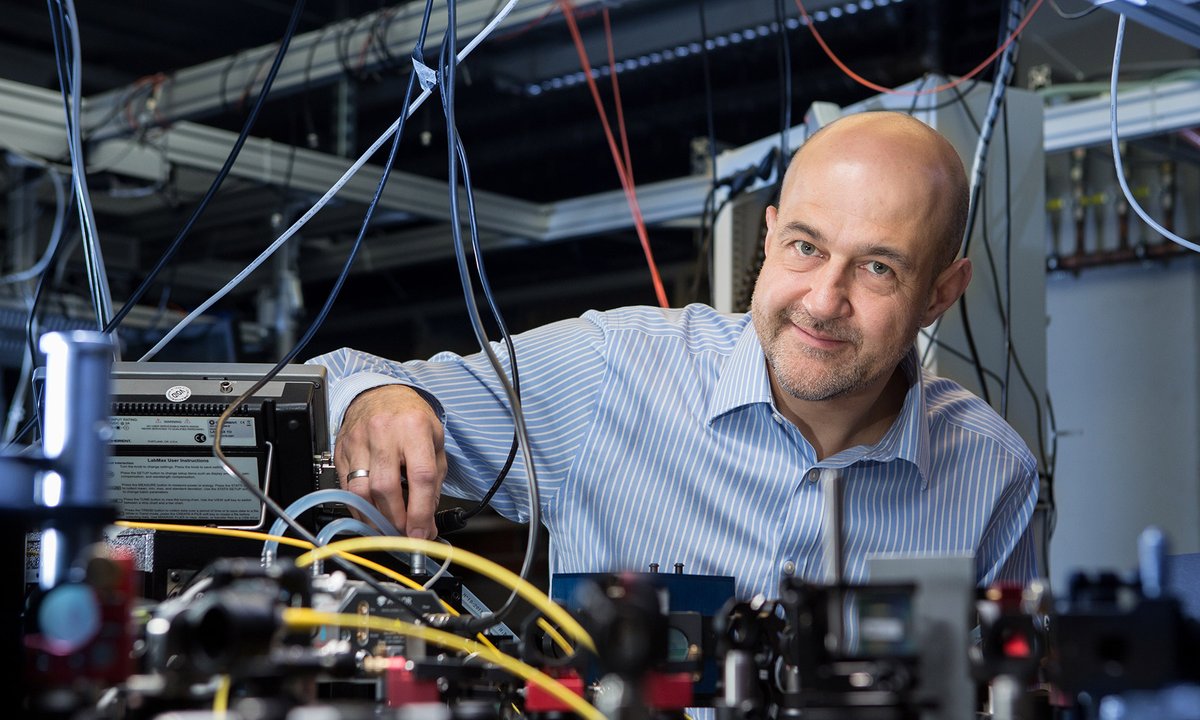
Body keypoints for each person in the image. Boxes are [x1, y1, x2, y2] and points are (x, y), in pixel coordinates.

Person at [309, 111, 1039, 601]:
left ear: (941, 293)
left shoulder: (992, 475)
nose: (823, 300)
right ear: (769, 236)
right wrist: (378, 399)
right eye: (805, 247)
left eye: (878, 268)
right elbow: (338, 378)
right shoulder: (611, 370)